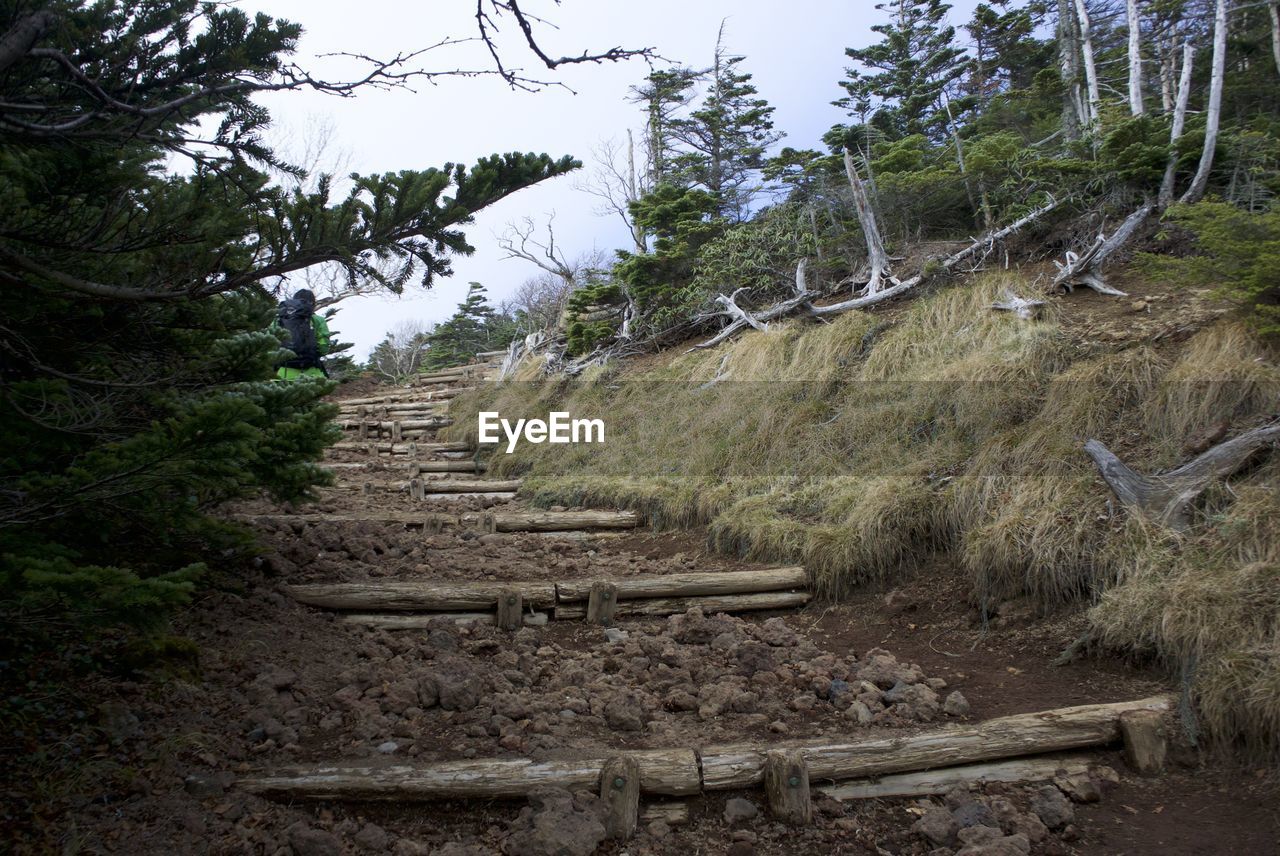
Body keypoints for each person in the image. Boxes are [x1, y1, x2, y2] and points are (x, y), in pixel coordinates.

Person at [273, 289, 331, 380]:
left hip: (282, 372)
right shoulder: (318, 320)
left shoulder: (279, 319)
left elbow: (269, 343)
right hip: (312, 373)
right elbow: (324, 348)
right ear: (312, 303)